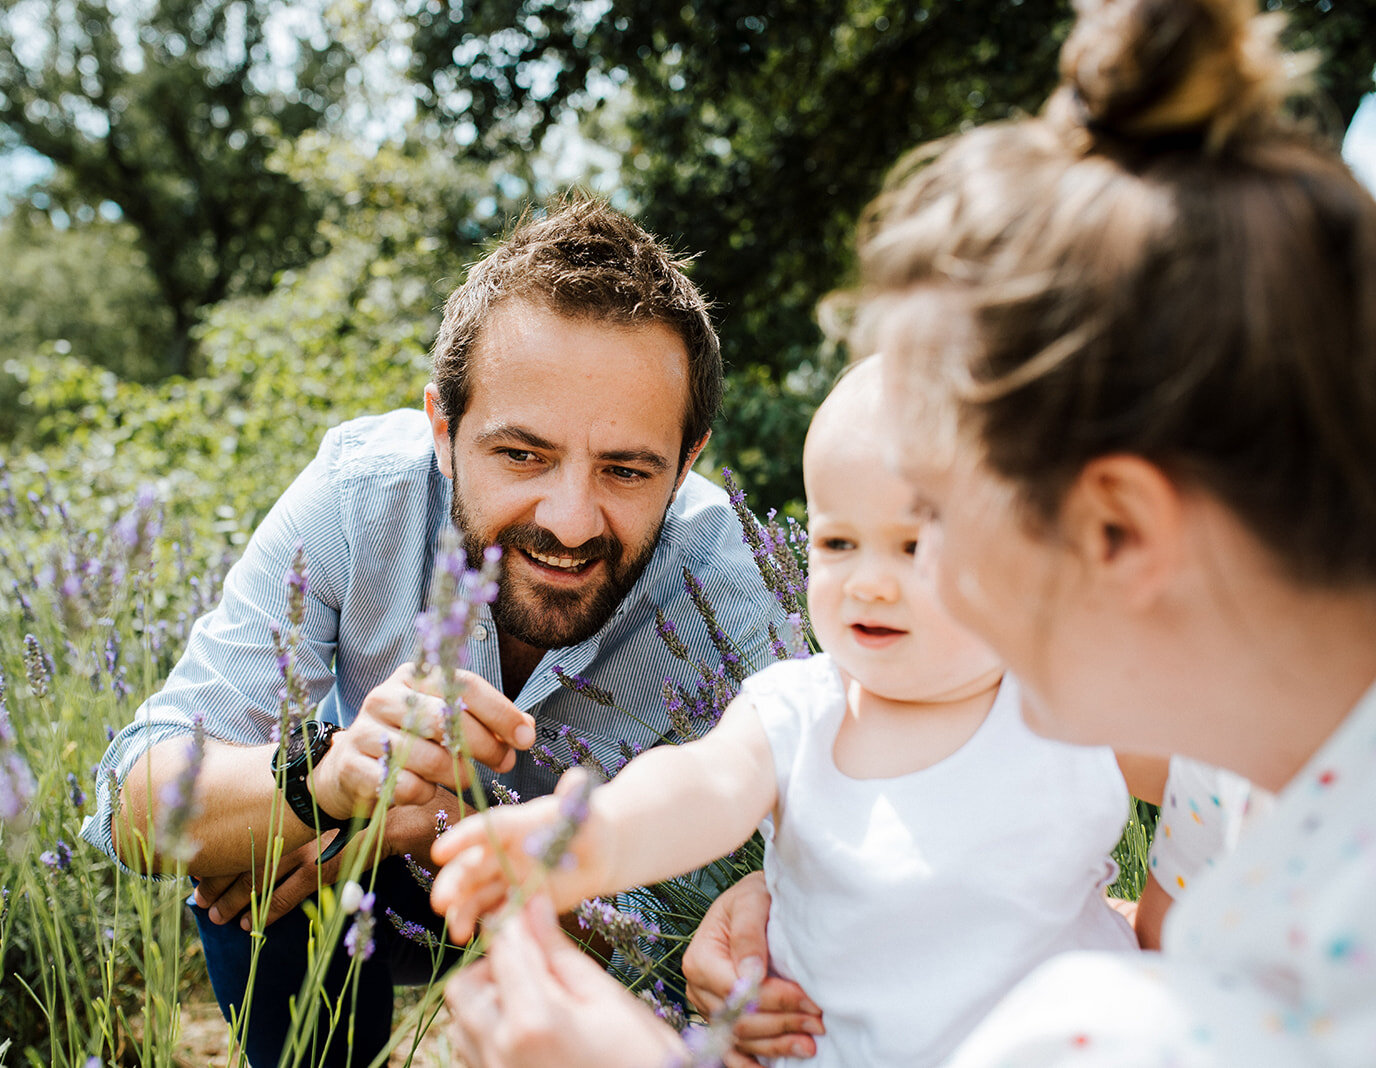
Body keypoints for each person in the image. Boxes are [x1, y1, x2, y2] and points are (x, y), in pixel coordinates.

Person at [441, 0, 1376, 1063]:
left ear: (1119, 530)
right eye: (844, 539)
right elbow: (1179, 945)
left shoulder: (1125, 1026)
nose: (909, 581)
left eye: (954, 528)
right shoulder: (1253, 771)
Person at [78, 198, 783, 1067]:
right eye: (522, 454)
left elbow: (690, 929)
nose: (568, 521)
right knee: (250, 847)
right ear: (443, 431)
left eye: (627, 469)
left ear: (688, 461)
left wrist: (459, 828)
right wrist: (326, 783)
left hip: (579, 925)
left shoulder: (739, 595)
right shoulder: (356, 492)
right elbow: (135, 801)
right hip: (351, 875)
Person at [431, 357, 1143, 1068]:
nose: (868, 582)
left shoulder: (1076, 707)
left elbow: (1226, 800)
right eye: (838, 543)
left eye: (914, 547)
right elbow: (702, 785)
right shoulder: (804, 710)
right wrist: (592, 839)